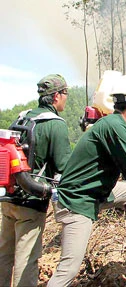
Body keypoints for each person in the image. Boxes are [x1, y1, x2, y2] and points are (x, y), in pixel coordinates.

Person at [47, 74, 126, 287]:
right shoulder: (114, 126)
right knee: (68, 270)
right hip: (76, 202)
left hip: (94, 192)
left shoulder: (114, 124)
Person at [0, 74, 72, 287]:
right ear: (57, 96)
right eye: (65, 94)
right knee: (26, 259)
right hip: (31, 203)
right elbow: (64, 166)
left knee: (4, 254)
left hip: (8, 197)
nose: (66, 98)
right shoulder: (56, 124)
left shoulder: (22, 118)